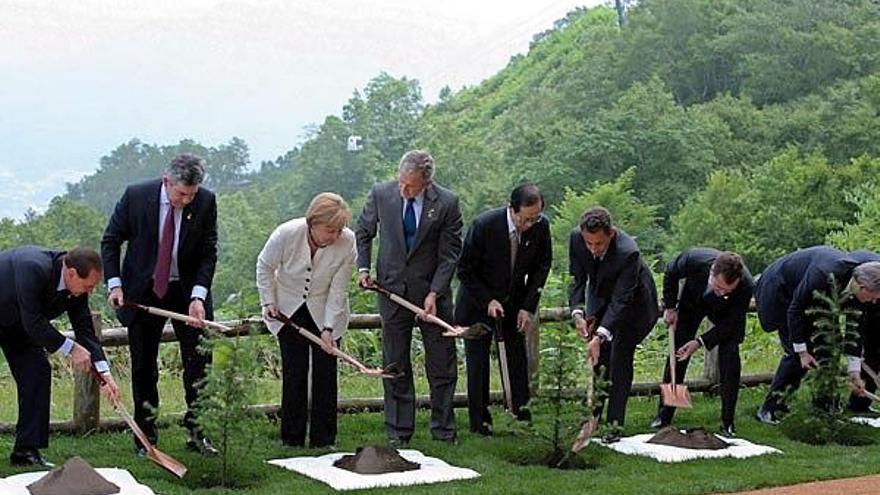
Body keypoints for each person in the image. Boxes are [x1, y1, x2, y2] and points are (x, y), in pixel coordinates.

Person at [101, 152, 218, 455]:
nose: (186, 200)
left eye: (191, 195)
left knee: (199, 365)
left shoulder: (206, 202)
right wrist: (115, 284)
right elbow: (111, 240)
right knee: (143, 367)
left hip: (188, 292)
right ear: (167, 182)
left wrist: (198, 296)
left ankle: (198, 432)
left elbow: (208, 252)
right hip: (144, 290)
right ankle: (145, 437)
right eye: (181, 194)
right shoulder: (137, 196)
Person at [355, 150, 463, 445]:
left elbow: (450, 254)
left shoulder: (447, 203)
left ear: (427, 183)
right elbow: (362, 232)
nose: (404, 190)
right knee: (395, 363)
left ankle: (443, 429)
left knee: (441, 364)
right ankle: (399, 431)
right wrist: (363, 268)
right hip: (391, 292)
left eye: (411, 186)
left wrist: (435, 292)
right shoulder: (381, 193)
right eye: (401, 182)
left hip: (431, 295)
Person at [0, 246, 120, 467]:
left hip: (18, 326)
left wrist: (104, 373)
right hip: (20, 318)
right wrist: (72, 349)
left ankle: (26, 452)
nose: (90, 292)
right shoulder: (33, 267)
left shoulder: (76, 288)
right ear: (71, 273)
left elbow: (85, 330)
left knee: (38, 371)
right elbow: (34, 322)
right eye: (88, 286)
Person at [256, 192, 356, 448]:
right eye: (329, 230)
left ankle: (324, 439)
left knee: (326, 373)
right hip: (288, 306)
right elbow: (265, 266)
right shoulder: (286, 233)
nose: (334, 236)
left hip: (325, 307)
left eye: (339, 230)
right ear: (313, 222)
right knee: (295, 371)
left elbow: (339, 288)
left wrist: (329, 327)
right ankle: (292, 437)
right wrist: (269, 301)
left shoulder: (347, 242)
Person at [455, 184, 551, 435]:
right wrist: (488, 300)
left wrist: (527, 307)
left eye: (535, 217)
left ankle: (521, 419)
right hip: (477, 303)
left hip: (513, 303)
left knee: (516, 360)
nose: (530, 224)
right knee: (478, 365)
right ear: (512, 209)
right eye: (525, 218)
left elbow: (542, 267)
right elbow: (465, 269)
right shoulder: (484, 225)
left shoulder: (541, 226)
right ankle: (481, 424)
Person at [755, 246, 880, 424]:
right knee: (795, 354)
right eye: (874, 297)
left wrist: (854, 372)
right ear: (862, 287)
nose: (875, 302)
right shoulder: (823, 273)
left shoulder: (858, 291)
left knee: (829, 346)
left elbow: (854, 332)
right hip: (781, 290)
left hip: (814, 300)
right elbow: (795, 309)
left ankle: (824, 407)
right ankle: (770, 408)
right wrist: (802, 352)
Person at [568, 206, 658, 441]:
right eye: (589, 243)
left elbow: (621, 300)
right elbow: (577, 279)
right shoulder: (576, 239)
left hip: (635, 306)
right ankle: (592, 418)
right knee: (599, 360)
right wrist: (578, 313)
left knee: (619, 358)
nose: (593, 249)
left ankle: (614, 426)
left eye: (599, 244)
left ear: (611, 233)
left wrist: (600, 335)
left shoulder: (629, 253)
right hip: (600, 297)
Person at [651, 249, 753, 438]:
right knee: (678, 351)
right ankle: (664, 414)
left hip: (726, 315)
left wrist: (700, 342)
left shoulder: (746, 285)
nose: (720, 292)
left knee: (730, 357)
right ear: (712, 272)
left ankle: (727, 421)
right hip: (692, 302)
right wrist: (671, 306)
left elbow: (730, 324)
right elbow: (671, 273)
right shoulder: (693, 259)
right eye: (718, 287)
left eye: (726, 290)